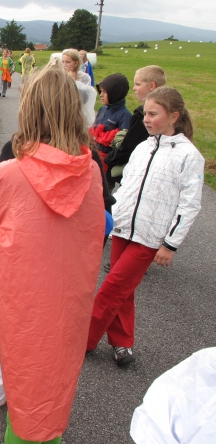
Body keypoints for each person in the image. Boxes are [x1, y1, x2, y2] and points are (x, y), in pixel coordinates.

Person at [0, 64, 105, 444]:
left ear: (29, 109)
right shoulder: (91, 170)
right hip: (71, 305)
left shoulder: (10, 174)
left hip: (25, 309)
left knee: (24, 404)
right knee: (53, 395)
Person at [86, 87, 204, 366]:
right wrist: (112, 218)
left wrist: (170, 244)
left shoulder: (189, 156)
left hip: (150, 238)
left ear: (174, 116)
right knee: (123, 290)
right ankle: (122, 342)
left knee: (112, 288)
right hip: (123, 229)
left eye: (153, 114)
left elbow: (189, 204)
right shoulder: (143, 147)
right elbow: (127, 186)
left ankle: (82, 340)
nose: (146, 119)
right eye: (145, 114)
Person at [104, 65, 166, 189]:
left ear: (151, 86)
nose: (134, 88)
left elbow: (129, 146)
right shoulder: (169, 110)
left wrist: (110, 159)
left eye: (138, 84)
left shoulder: (142, 115)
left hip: (139, 172)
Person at [90, 73, 132, 174]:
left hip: (108, 162)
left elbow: (122, 144)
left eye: (104, 92)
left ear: (115, 93)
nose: (101, 95)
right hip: (95, 155)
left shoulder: (125, 115)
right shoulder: (103, 109)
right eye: (101, 91)